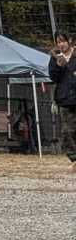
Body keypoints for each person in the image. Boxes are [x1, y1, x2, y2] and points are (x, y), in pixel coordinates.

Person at [48, 32, 76, 165]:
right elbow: (53, 77)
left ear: (69, 41)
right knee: (67, 131)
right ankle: (74, 158)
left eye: (63, 41)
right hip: (65, 99)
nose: (61, 44)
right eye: (58, 42)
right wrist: (58, 67)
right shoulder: (55, 57)